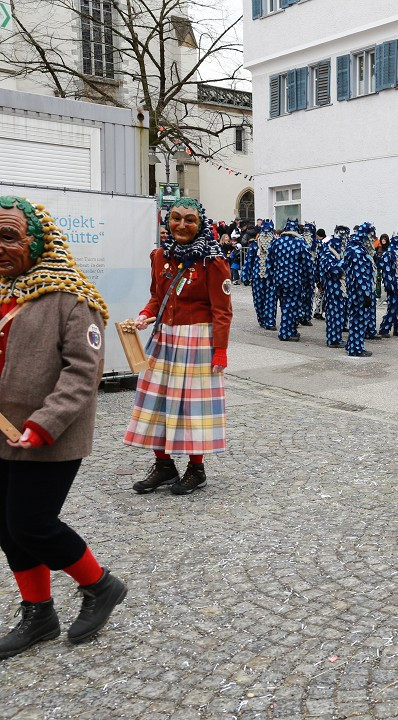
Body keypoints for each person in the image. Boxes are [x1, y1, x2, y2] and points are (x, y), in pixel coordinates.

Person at [0, 195, 127, 658]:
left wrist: (44, 423)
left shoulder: (73, 298)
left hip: (49, 435)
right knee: (6, 528)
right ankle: (39, 613)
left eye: (9, 236)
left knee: (31, 522)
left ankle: (101, 585)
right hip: (3, 432)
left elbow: (83, 373)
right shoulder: (3, 292)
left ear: (39, 241)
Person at [125, 197, 233, 495]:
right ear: (167, 221)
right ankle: (164, 466)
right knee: (156, 401)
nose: (181, 225)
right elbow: (157, 297)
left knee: (191, 407)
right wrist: (145, 316)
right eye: (175, 218)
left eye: (189, 220)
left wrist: (220, 350)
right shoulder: (159, 256)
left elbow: (222, 311)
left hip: (198, 340)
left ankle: (196, 470)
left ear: (200, 224)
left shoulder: (213, 262)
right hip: (165, 338)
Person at [268, 219, 314, 342]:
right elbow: (308, 264)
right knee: (291, 305)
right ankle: (285, 333)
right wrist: (309, 280)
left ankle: (291, 329)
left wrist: (272, 278)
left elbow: (269, 262)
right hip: (293, 280)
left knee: (285, 305)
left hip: (278, 279)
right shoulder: (300, 243)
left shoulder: (276, 243)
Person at [343, 225, 376, 358]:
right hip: (360, 292)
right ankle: (356, 349)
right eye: (371, 236)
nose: (372, 240)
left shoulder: (352, 248)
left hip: (354, 290)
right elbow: (360, 275)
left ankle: (352, 344)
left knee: (356, 318)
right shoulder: (359, 252)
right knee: (359, 319)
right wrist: (366, 294)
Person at [241, 219, 277, 330]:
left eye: (268, 231)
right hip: (257, 277)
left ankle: (270, 322)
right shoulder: (255, 245)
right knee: (259, 300)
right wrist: (245, 276)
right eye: (264, 231)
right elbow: (248, 261)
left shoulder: (276, 245)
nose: (266, 234)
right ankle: (262, 319)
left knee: (271, 299)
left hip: (271, 277)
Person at [318, 226, 349, 348]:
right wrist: (344, 264)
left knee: (339, 314)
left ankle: (336, 338)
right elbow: (332, 270)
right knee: (333, 314)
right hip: (333, 288)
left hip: (340, 288)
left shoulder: (339, 253)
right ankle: (333, 340)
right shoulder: (328, 253)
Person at [377, 230, 398, 337]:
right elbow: (386, 271)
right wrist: (389, 285)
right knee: (393, 307)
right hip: (394, 285)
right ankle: (384, 329)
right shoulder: (388, 254)